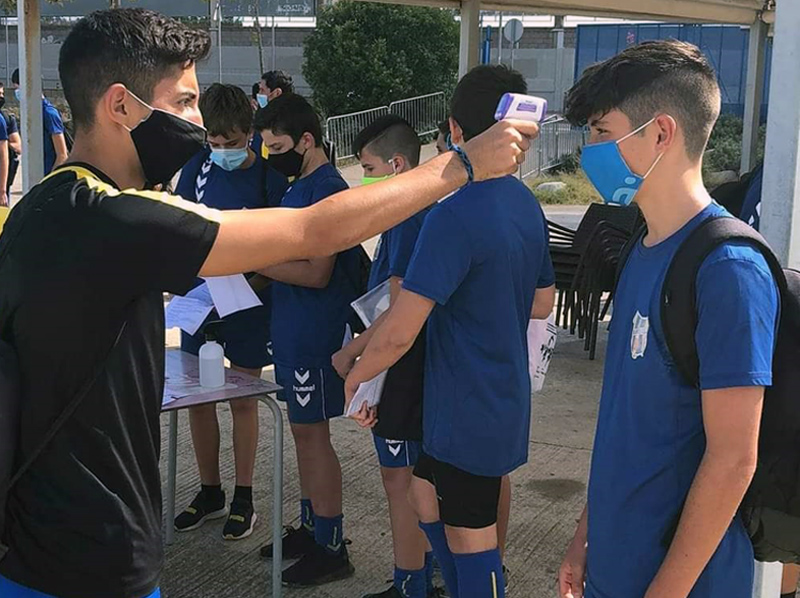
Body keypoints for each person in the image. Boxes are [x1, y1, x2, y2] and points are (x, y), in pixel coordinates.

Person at [0, 8, 535, 598]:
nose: (197, 124)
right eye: (182, 103)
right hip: (86, 551)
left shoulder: (46, 204)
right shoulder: (113, 216)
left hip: (34, 531)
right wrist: (460, 165)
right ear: (120, 105)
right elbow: (312, 232)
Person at [557, 40, 779, 598]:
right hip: (614, 568)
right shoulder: (641, 245)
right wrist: (586, 536)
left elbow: (733, 457)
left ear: (660, 133)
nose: (591, 149)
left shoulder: (727, 268)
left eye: (602, 132)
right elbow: (623, 423)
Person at [343, 65, 556, 598]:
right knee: (425, 493)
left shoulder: (452, 215)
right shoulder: (526, 204)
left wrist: (357, 374)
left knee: (471, 534)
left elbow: (398, 330)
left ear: (455, 131)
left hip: (467, 405)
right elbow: (543, 301)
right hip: (491, 394)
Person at [252, 93, 361, 587]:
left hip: (317, 333)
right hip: (294, 329)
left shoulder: (327, 191)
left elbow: (318, 272)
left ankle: (331, 545)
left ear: (306, 140)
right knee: (301, 433)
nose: (272, 158)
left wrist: (251, 263)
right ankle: (314, 523)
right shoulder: (300, 185)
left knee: (313, 435)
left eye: (278, 148)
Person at [171, 83, 288, 541]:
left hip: (247, 305)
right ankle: (209, 490)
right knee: (198, 402)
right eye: (214, 144)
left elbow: (281, 249)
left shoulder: (269, 180)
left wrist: (246, 287)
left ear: (251, 134)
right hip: (200, 304)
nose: (222, 152)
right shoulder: (197, 167)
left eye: (232, 144)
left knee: (242, 399)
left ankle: (244, 496)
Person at [334, 114, 439, 598]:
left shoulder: (404, 218)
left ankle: (410, 584)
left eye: (370, 167)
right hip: (412, 368)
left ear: (398, 165)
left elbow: (399, 310)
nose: (365, 178)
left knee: (401, 482)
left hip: (400, 370)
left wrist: (354, 359)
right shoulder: (426, 213)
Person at [11, 68, 69, 175]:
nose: (17, 93)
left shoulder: (49, 113)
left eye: (18, 88)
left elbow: (62, 154)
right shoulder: (32, 113)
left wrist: (48, 183)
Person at [0, 82, 22, 197]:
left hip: (4, 179)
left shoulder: (5, 119)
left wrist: (2, 190)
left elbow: (18, 146)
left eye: (2, 94)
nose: (1, 97)